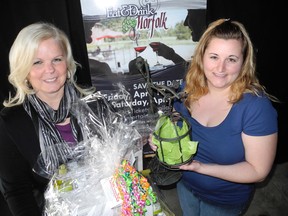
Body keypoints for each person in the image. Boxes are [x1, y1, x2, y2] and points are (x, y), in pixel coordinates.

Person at [149, 18, 278, 216]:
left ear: (244, 62)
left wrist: (201, 167)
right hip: (185, 186)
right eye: (214, 57)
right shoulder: (189, 86)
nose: (220, 68)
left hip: (224, 201)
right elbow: (176, 117)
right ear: (201, 56)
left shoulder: (256, 107)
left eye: (231, 59)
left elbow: (258, 171)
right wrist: (162, 136)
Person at [0, 22, 114, 216]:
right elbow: (17, 191)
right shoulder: (12, 122)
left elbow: (120, 163)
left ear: (68, 64)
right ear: (24, 69)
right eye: (37, 62)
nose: (50, 69)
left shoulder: (95, 105)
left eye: (57, 59)